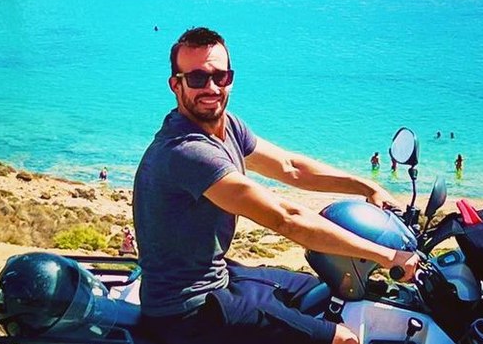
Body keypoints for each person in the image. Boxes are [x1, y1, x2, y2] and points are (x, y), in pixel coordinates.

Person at [133, 27, 418, 344]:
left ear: (231, 78)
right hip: (188, 310)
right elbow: (286, 218)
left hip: (219, 276)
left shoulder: (226, 126)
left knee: (320, 291)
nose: (211, 87)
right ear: (176, 84)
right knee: (341, 339)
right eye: (197, 78)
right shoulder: (188, 151)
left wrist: (364, 186)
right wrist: (386, 255)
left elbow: (291, 167)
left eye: (220, 76)